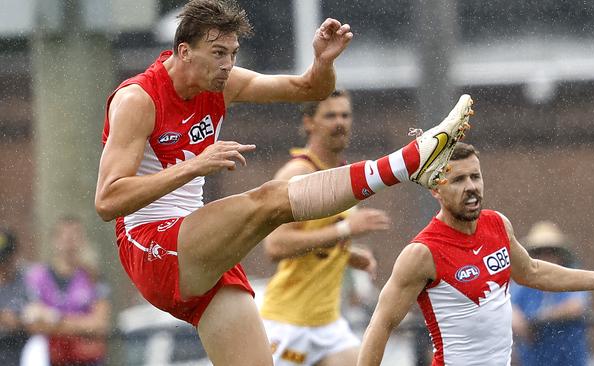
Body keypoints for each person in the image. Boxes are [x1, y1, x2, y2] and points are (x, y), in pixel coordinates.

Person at [94, 0, 473, 364]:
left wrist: (322, 62)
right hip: (149, 245)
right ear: (184, 51)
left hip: (201, 255)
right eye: (218, 53)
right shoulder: (137, 99)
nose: (228, 65)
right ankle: (409, 164)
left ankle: (412, 166)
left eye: (233, 53)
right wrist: (193, 167)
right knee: (270, 200)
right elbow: (108, 201)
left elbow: (309, 89)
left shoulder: (222, 85)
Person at [356, 142, 594, 366]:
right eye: (458, 180)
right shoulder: (422, 253)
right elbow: (382, 323)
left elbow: (532, 271)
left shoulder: (497, 225)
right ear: (436, 190)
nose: (471, 187)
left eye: (475, 176)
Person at [260, 90, 390, 366]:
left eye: (345, 114)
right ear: (309, 123)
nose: (339, 122)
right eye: (330, 115)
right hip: (288, 324)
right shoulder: (297, 175)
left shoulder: (340, 174)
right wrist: (346, 231)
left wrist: (349, 253)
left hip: (328, 325)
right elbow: (275, 245)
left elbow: (317, 237)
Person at [23, 216, 110, 366]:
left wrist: (55, 318)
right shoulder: (37, 277)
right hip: (50, 358)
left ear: (83, 241)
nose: (69, 242)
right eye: (64, 236)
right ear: (54, 240)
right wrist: (80, 324)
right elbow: (33, 324)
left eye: (75, 236)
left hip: (87, 360)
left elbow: (99, 325)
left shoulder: (93, 277)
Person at [511, 221, 590, 366]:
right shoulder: (524, 282)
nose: (546, 257)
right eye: (540, 252)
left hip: (569, 359)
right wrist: (518, 322)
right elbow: (508, 304)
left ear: (560, 255)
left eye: (551, 251)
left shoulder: (572, 277)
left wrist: (543, 317)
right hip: (534, 359)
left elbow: (577, 306)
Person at [0, 228, 31, 365]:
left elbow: (43, 312)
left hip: (21, 347)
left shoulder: (27, 278)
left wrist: (19, 321)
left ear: (15, 256)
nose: (3, 267)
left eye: (5, 260)